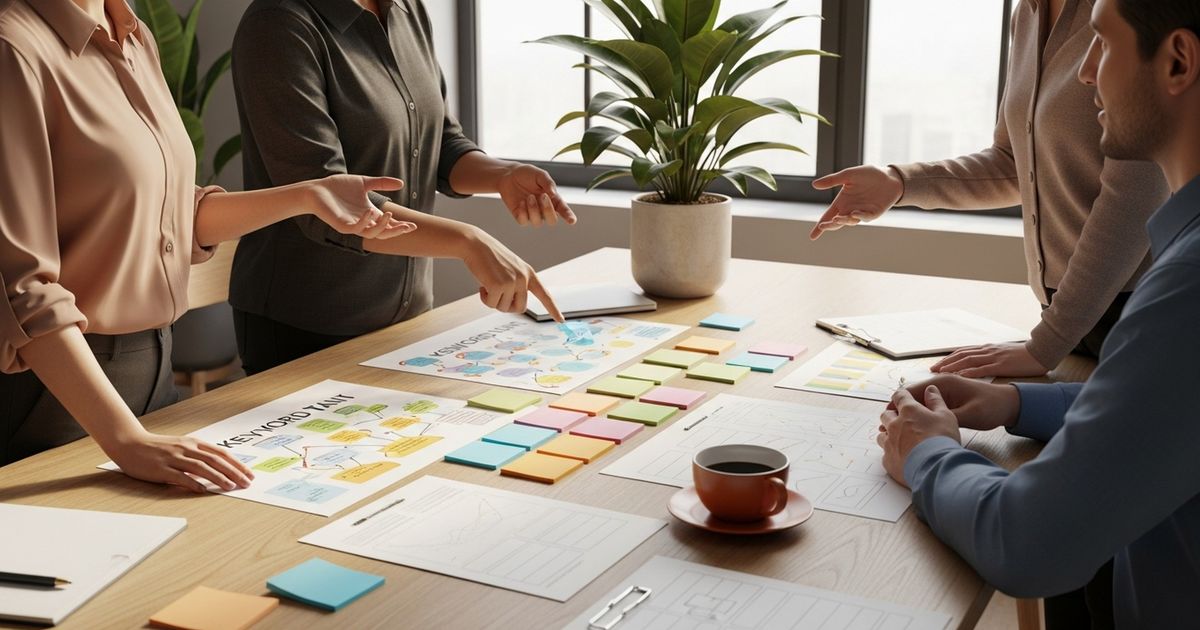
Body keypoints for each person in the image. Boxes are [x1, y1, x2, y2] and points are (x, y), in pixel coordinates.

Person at [0, 0, 416, 491]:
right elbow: (20, 286)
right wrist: (125, 439)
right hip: (56, 396)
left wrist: (309, 196)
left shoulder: (130, 31)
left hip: (152, 374)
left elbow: (172, 212)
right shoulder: (14, 48)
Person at [876, 1, 1200, 627]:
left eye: (1102, 45)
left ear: (1179, 62)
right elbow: (1164, 404)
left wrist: (927, 454)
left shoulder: (1185, 289)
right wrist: (1020, 404)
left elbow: (1029, 543)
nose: (1086, 73)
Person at [809, 0, 1169, 380]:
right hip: (1067, 317)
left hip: (1140, 314)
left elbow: (1133, 201)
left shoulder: (1127, 12)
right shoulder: (1028, 14)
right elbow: (1015, 163)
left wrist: (1044, 344)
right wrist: (900, 183)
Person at [229, 0, 572, 375]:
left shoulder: (408, 11)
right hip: (306, 325)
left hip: (408, 319)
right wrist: (468, 241)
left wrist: (501, 175)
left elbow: (440, 142)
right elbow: (327, 203)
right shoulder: (278, 24)